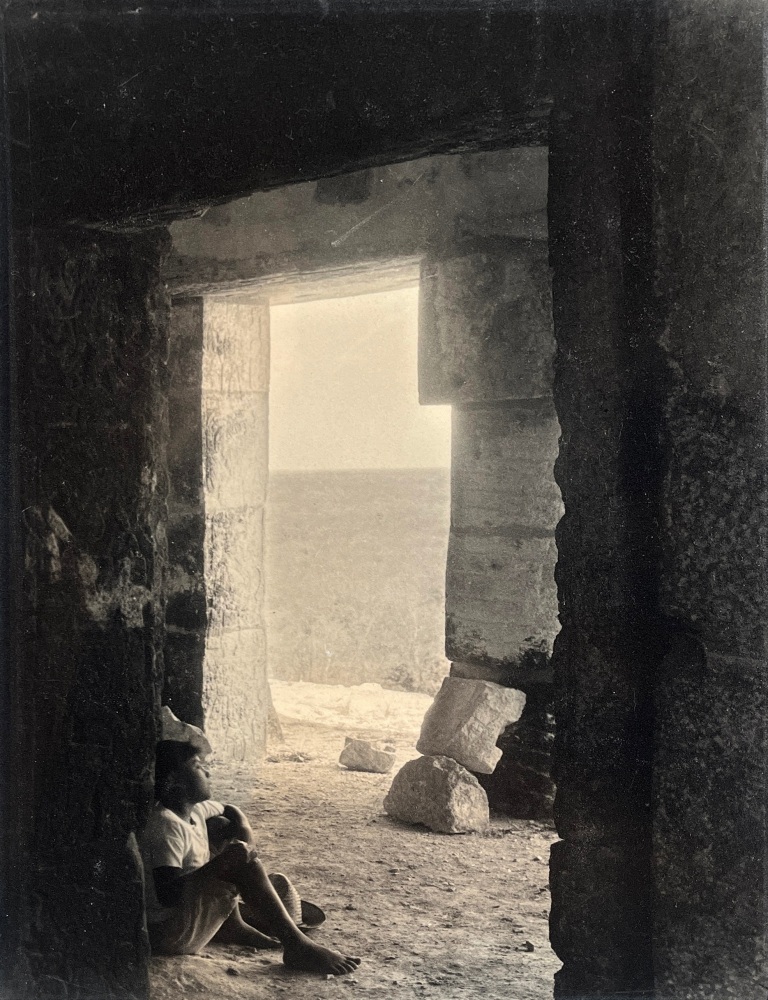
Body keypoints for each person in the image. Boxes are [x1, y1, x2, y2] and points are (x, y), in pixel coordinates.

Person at [140, 739, 361, 975]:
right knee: (245, 865)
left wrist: (245, 832)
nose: (207, 770)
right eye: (196, 765)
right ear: (175, 782)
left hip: (187, 921)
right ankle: (297, 945)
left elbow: (230, 809)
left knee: (221, 826)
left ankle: (232, 926)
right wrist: (220, 864)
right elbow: (167, 894)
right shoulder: (166, 825)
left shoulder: (194, 811)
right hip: (170, 933)